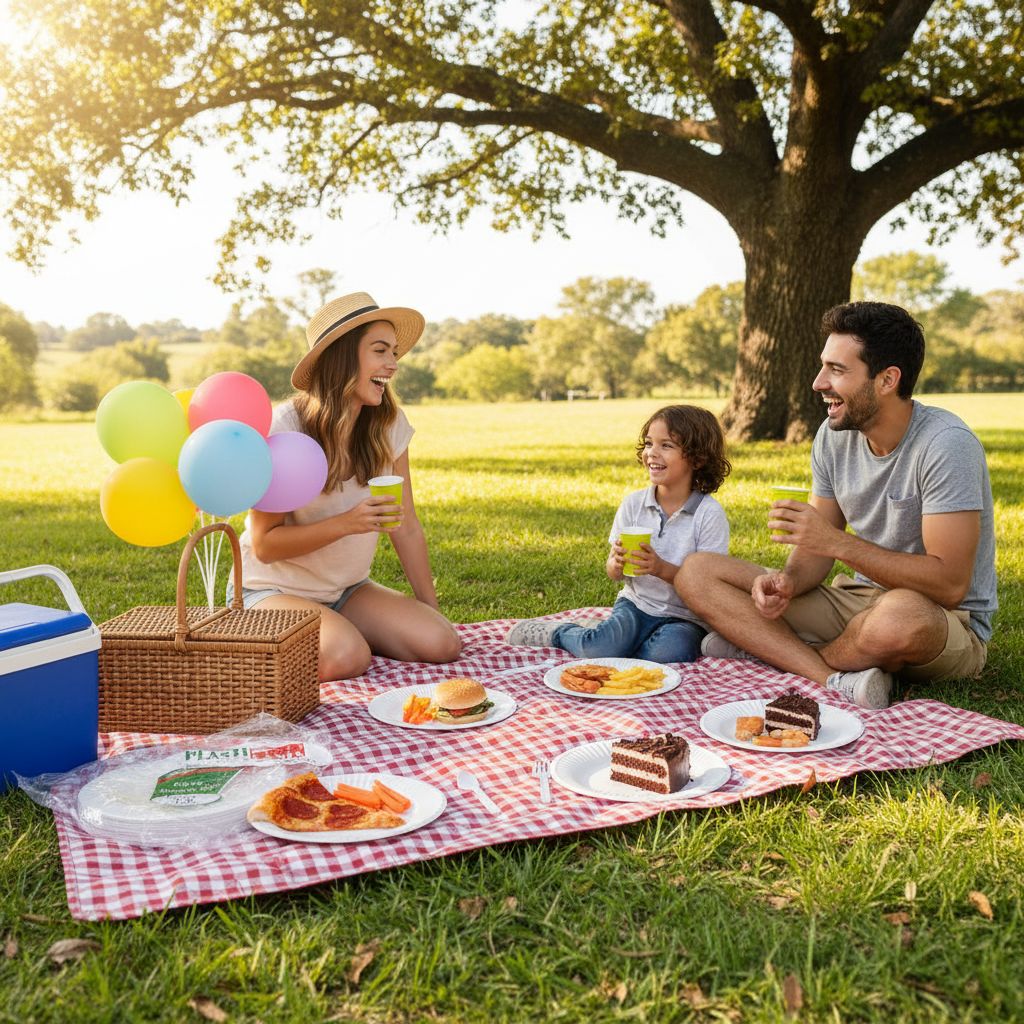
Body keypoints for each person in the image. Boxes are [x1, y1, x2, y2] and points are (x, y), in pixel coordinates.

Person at [676, 301, 996, 709]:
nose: (818, 382)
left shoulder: (946, 445)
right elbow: (815, 550)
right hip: (859, 603)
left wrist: (839, 544)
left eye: (837, 370)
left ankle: (771, 653)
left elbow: (950, 586)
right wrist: (787, 581)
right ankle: (832, 676)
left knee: (900, 616)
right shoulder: (833, 434)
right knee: (697, 571)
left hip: (943, 621)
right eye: (823, 366)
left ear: (887, 379)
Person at [233, 291, 462, 680]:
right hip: (270, 590)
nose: (392, 365)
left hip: (347, 590)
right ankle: (247, 656)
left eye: (393, 353)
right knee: (347, 656)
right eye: (380, 351)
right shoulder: (287, 428)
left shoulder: (387, 425)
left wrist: (430, 607)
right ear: (342, 358)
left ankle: (330, 632)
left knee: (442, 643)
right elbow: (266, 546)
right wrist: (348, 522)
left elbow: (405, 526)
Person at [507, 405, 731, 663]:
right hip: (637, 604)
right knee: (596, 651)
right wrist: (615, 564)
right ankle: (561, 632)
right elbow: (614, 573)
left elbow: (708, 587)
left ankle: (616, 639)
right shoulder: (633, 505)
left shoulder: (708, 514)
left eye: (666, 445)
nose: (651, 453)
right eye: (648, 443)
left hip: (685, 615)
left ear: (698, 458)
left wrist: (660, 568)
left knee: (668, 655)